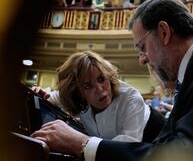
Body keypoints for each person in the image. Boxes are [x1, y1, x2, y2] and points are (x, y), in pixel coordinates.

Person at [32, 0, 193, 161]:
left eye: (142, 47)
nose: (142, 59)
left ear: (164, 32)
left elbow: (182, 160)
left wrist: (82, 144)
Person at [32, 51, 165, 143]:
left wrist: (78, 142)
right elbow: (52, 96)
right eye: (88, 86)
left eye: (101, 79)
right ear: (78, 93)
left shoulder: (130, 99)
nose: (100, 90)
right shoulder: (75, 97)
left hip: (157, 141)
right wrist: (40, 93)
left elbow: (127, 148)